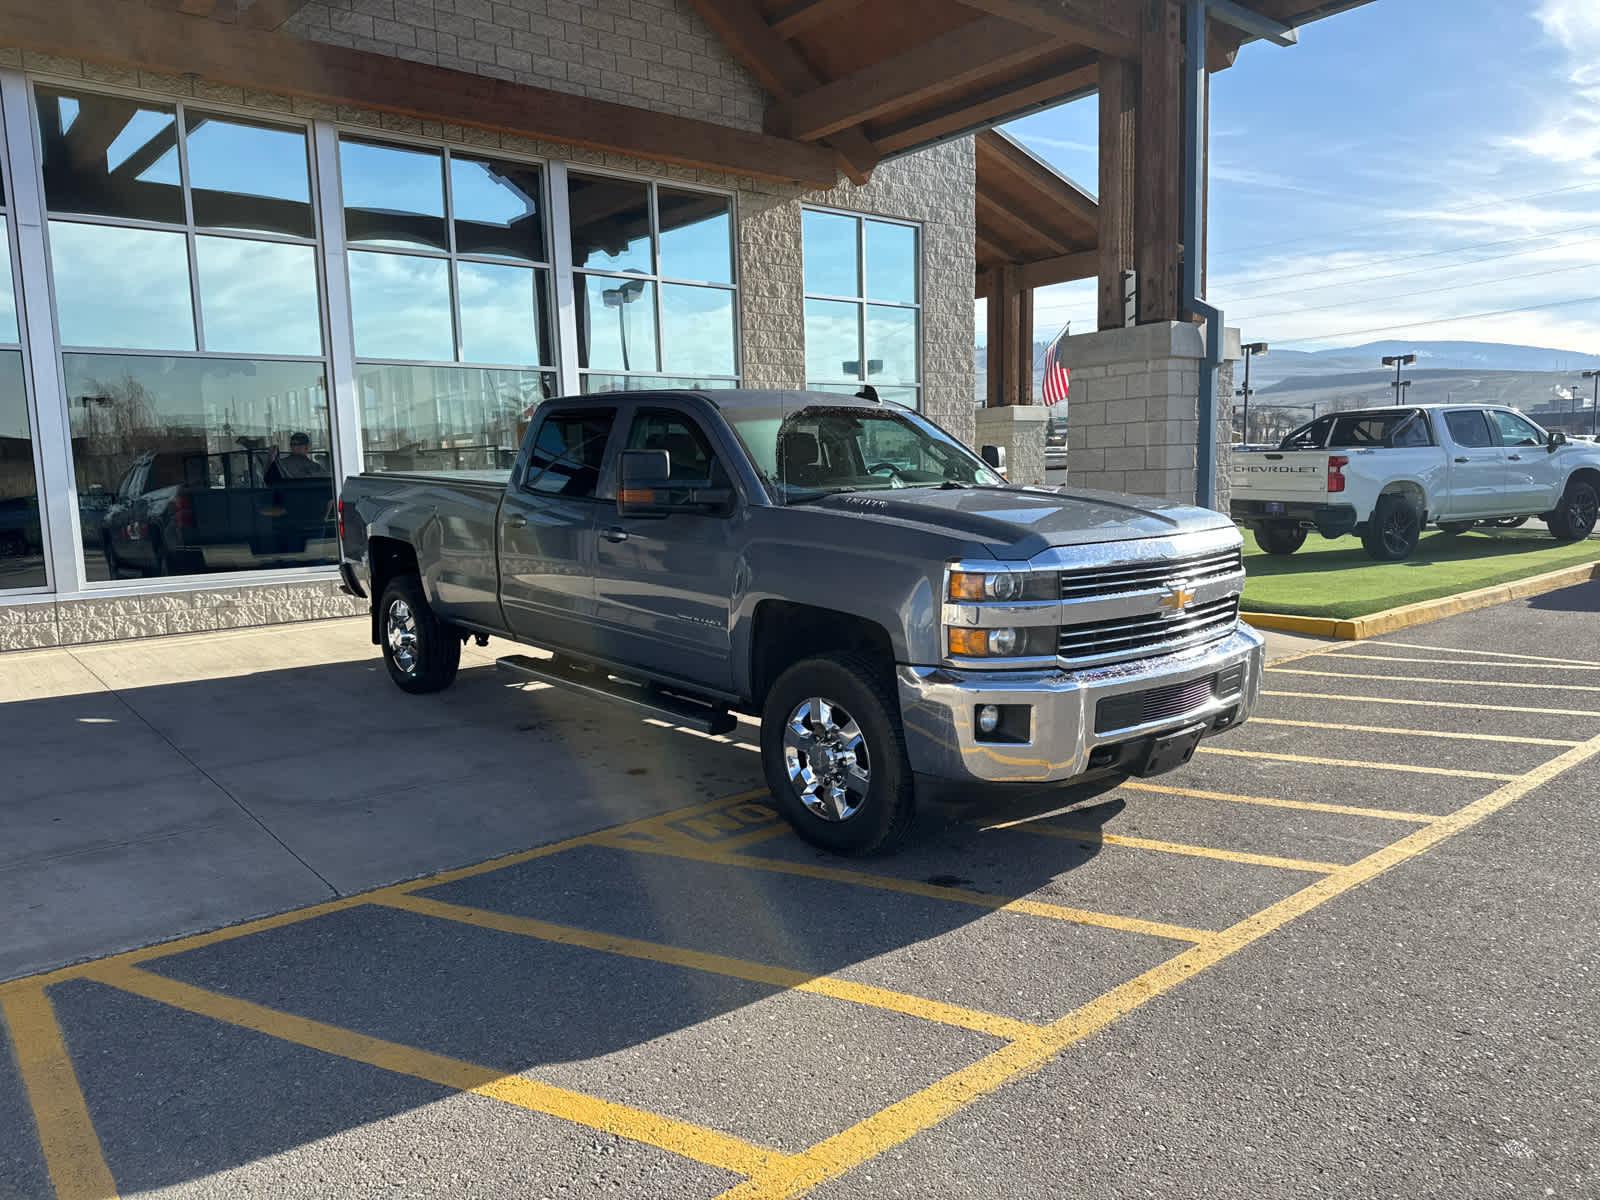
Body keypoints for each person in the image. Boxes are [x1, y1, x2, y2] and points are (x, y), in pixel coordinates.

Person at [264, 432, 329, 483]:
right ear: (307, 447)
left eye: (296, 445)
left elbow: (267, 480)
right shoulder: (314, 467)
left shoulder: (280, 465)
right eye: (293, 445)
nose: (294, 447)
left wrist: (270, 459)